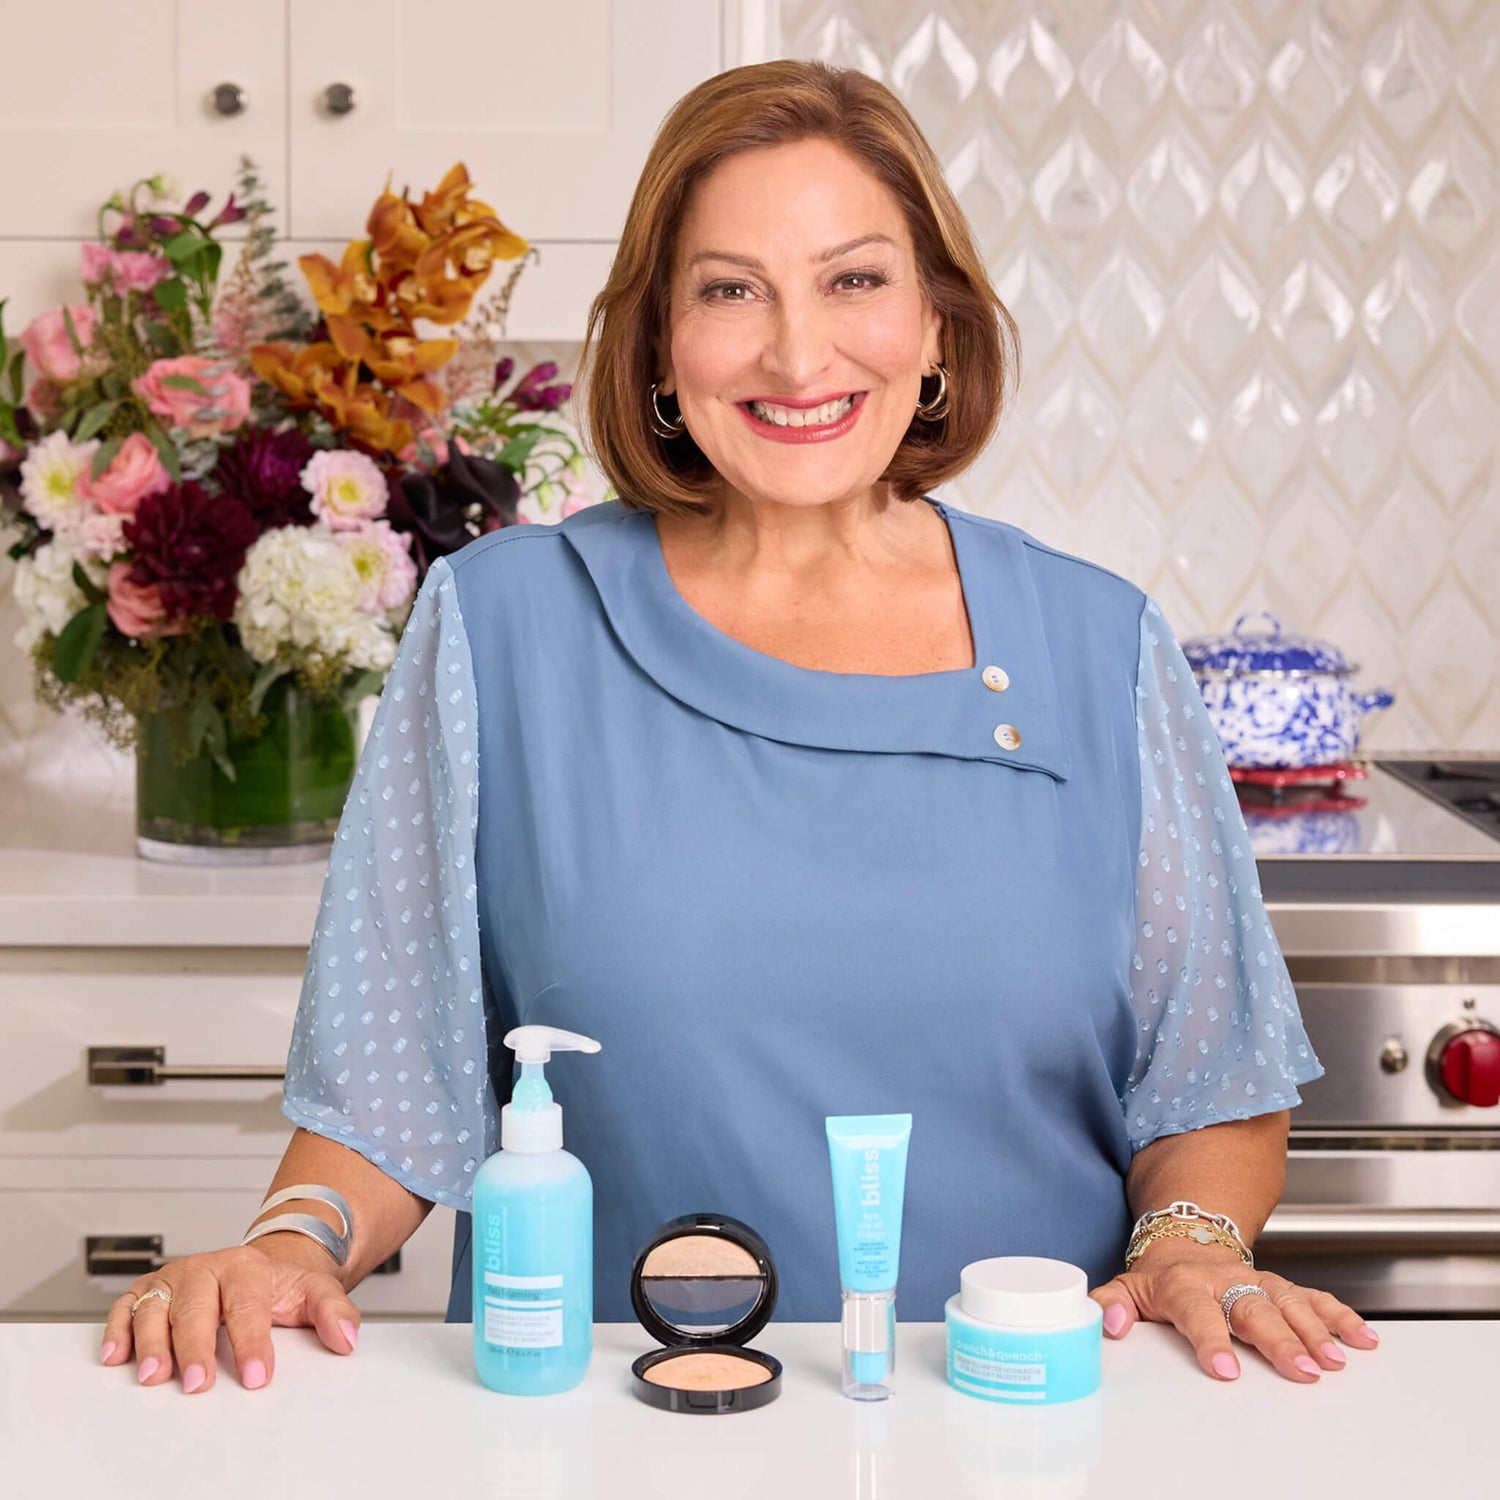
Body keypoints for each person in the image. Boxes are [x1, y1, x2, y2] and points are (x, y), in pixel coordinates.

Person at [99, 59, 1376, 1397]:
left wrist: (1191, 1244)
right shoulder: (503, 629)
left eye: (854, 280)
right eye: (729, 291)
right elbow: (384, 1096)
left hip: (1033, 1420)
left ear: (937, 324)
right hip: (609, 1437)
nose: (797, 354)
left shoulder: (1101, 643)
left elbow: (1209, 1083)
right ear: (659, 343)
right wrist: (287, 1248)